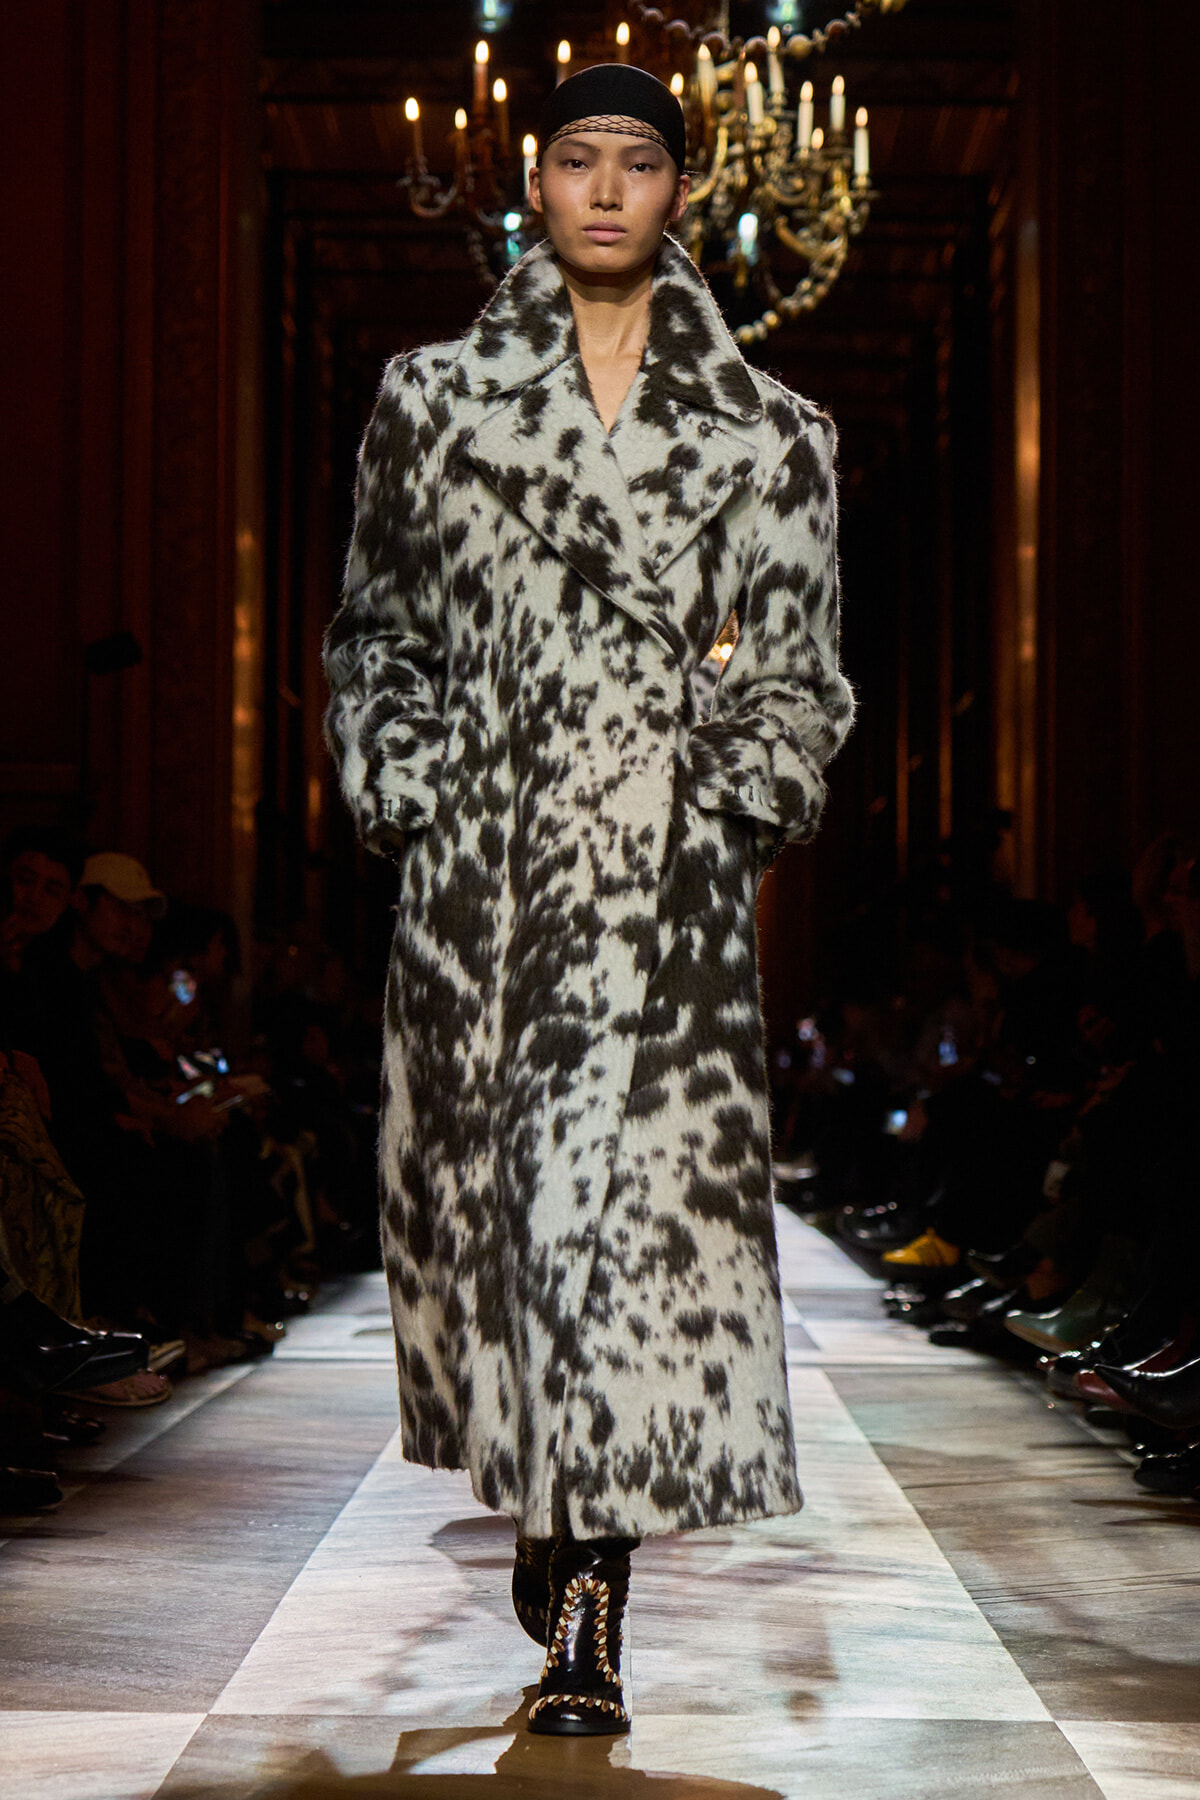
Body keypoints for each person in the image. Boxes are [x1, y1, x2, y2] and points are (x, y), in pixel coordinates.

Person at [324, 63, 855, 1735]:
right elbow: (373, 635)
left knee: (618, 1257)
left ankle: (590, 1611)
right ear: (533, 187)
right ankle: (556, 1519)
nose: (610, 189)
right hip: (484, 901)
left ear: (682, 192)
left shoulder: (772, 438)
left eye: (641, 161)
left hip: (668, 912)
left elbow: (799, 679)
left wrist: (729, 801)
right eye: (579, 159)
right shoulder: (430, 405)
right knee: (510, 1251)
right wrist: (412, 791)